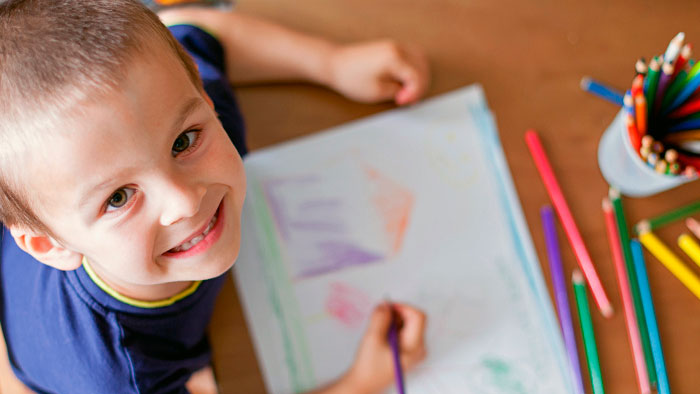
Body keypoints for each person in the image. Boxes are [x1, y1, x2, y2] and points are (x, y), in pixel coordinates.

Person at [0, 0, 430, 393]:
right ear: (49, 244)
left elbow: (193, 27)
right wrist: (362, 383)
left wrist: (333, 64)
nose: (185, 201)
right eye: (118, 198)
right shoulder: (121, 376)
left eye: (184, 142)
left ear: (204, 99)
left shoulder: (187, 115)